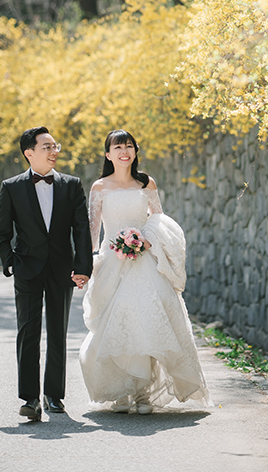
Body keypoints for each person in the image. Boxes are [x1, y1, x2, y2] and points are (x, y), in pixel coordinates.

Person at [79, 128, 210, 413]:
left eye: (128, 146)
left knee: (147, 323)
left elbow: (159, 218)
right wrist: (89, 262)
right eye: (117, 147)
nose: (124, 152)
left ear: (135, 151)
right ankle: (122, 392)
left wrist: (145, 238)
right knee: (116, 326)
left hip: (144, 262)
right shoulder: (99, 187)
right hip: (112, 263)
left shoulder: (146, 183)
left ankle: (142, 395)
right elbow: (93, 230)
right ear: (107, 154)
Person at [0, 126, 93, 421]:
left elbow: (81, 230)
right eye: (47, 147)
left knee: (58, 332)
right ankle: (30, 398)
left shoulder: (71, 185)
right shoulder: (11, 187)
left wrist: (83, 267)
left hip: (62, 269)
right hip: (27, 269)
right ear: (29, 153)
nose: (54, 152)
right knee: (28, 332)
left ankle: (53, 395)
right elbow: (1, 231)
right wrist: (9, 260)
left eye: (55, 146)